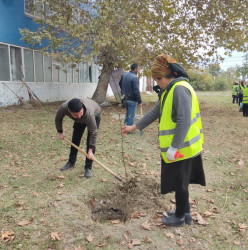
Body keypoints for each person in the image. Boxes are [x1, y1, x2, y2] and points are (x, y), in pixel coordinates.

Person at [121, 54, 206, 227]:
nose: (157, 83)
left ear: (172, 74)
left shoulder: (180, 89)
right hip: (183, 146)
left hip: (183, 146)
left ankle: (180, 217)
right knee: (181, 181)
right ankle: (186, 213)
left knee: (179, 182)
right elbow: (155, 112)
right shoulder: (170, 90)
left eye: (159, 79)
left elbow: (184, 120)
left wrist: (174, 147)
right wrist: (134, 127)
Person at [55, 98, 101, 178]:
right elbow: (58, 119)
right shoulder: (63, 108)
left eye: (80, 113)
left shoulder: (89, 114)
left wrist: (90, 151)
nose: (79, 116)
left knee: (90, 140)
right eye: (76, 115)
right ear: (69, 111)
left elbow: (93, 133)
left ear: (82, 109)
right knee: (75, 139)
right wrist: (60, 132)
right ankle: (71, 162)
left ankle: (88, 168)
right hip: (80, 121)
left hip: (95, 114)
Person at [121, 63, 142, 129]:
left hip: (125, 98)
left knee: (128, 113)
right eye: (138, 68)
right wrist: (139, 101)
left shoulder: (124, 75)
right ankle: (129, 129)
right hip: (132, 99)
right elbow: (136, 90)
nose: (138, 70)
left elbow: (120, 84)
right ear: (135, 69)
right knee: (131, 115)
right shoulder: (135, 78)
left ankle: (125, 126)